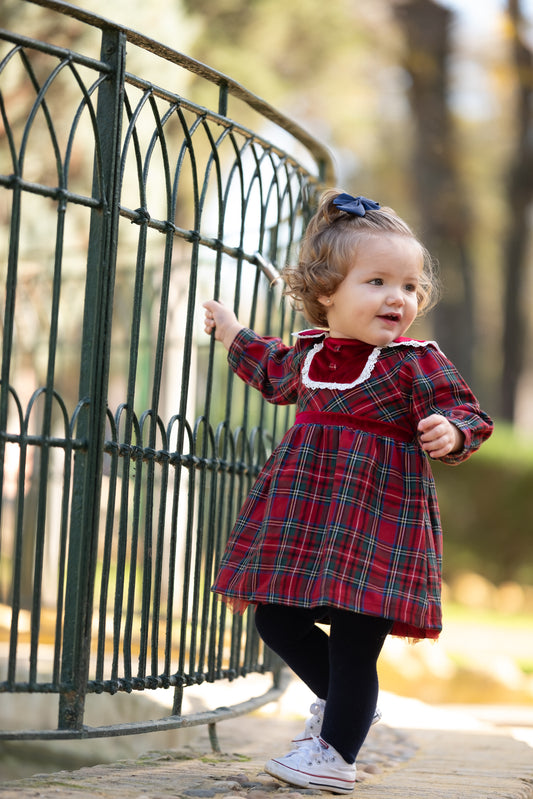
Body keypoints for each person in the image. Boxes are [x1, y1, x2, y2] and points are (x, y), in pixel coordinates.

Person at [202, 190, 493, 794]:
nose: (399, 297)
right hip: (304, 516)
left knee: (356, 643)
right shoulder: (306, 354)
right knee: (276, 619)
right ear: (327, 293)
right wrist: (231, 332)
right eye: (378, 280)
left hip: (377, 521)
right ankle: (346, 712)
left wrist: (452, 429)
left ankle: (336, 753)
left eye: (410, 287)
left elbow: (466, 412)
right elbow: (268, 369)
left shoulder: (417, 362)